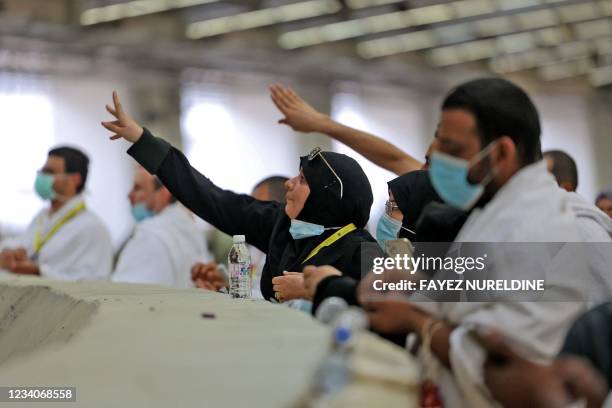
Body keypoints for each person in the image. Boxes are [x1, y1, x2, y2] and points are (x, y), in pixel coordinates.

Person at [352, 78, 602, 406]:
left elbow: (507, 366)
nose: (436, 159)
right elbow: (482, 286)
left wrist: (416, 321)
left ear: (501, 152)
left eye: (452, 150)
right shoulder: (498, 205)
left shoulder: (535, 228)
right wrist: (417, 283)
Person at [101, 91, 381, 302]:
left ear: (326, 197)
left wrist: (317, 290)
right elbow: (211, 198)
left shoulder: (361, 250)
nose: (289, 185)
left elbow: (402, 305)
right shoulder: (280, 225)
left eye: (303, 180)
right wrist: (144, 141)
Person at [0, 146, 112, 280]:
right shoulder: (42, 216)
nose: (41, 176)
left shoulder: (93, 228)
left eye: (49, 172)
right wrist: (9, 253)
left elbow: (92, 281)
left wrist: (38, 271)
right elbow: (25, 244)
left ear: (75, 179)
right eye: (42, 171)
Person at [112, 166, 211, 288]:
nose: (129, 195)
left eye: (138, 188)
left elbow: (123, 293)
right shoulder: (190, 227)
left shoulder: (149, 233)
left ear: (163, 194)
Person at [192, 176, 289, 298]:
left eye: (258, 209)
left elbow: (270, 298)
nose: (250, 216)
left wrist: (227, 291)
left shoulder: (286, 253)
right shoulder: (252, 248)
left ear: (276, 210)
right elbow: (253, 285)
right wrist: (224, 280)